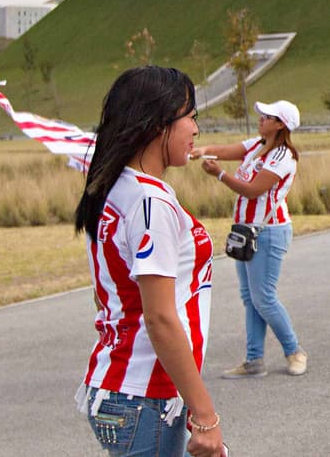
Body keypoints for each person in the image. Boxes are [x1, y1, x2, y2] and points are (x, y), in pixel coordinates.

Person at [74, 66, 225, 457]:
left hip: (121, 387)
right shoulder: (150, 204)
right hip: (143, 396)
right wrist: (205, 413)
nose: (196, 129)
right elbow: (159, 317)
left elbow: (111, 291)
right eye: (190, 117)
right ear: (159, 124)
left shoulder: (116, 186)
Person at [191, 101, 308, 378]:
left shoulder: (283, 156)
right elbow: (229, 150)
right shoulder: (258, 145)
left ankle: (295, 351)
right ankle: (254, 360)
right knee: (250, 297)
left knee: (263, 297)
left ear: (280, 124)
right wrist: (204, 150)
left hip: (268, 231)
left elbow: (254, 190)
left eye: (266, 117)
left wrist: (219, 174)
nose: (260, 119)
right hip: (246, 230)